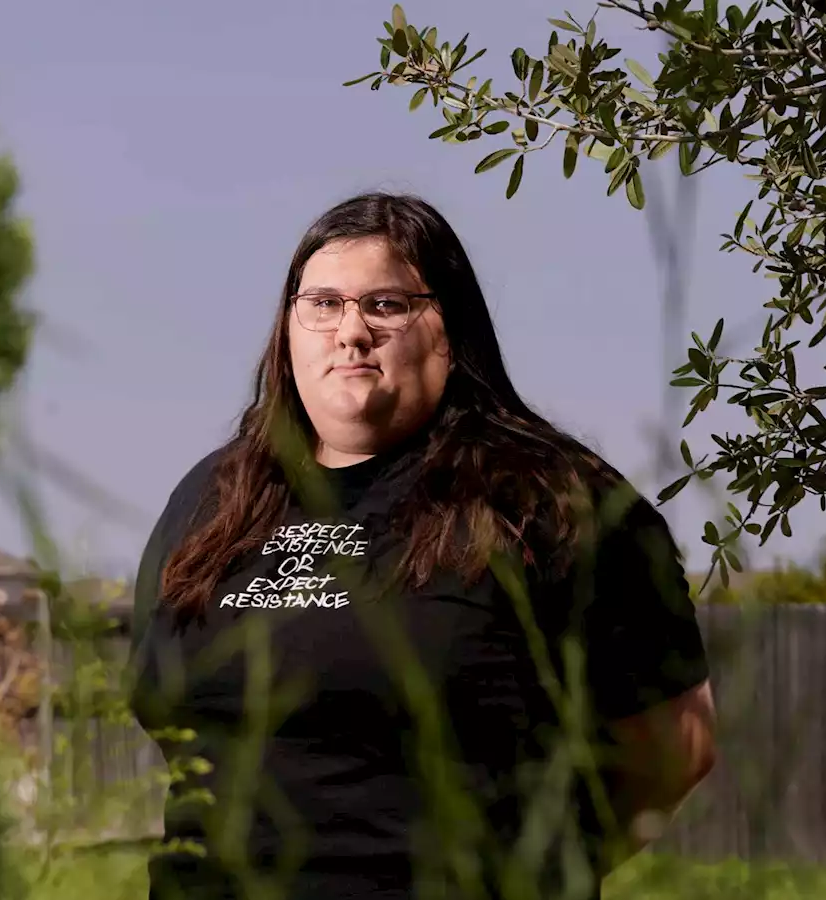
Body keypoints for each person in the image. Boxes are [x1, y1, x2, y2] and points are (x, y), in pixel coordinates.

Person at [128, 192, 716, 900]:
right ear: (288, 327)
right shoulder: (211, 500)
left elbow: (673, 747)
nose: (351, 332)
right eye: (322, 303)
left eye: (385, 305)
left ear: (449, 329)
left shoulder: (550, 499)